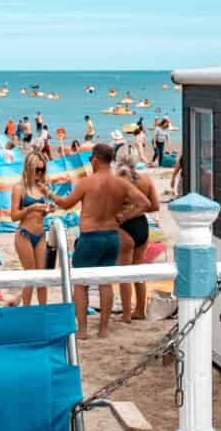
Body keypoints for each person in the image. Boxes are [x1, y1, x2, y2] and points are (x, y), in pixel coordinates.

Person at [49, 143, 150, 338]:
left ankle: (83, 330)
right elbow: (144, 203)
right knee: (105, 283)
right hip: (112, 236)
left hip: (90, 236)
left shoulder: (87, 183)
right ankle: (103, 329)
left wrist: (49, 193)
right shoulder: (120, 183)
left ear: (95, 159)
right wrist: (125, 216)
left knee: (81, 283)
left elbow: (66, 204)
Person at [115, 151, 160, 322]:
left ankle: (127, 314)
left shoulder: (118, 180)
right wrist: (137, 210)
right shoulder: (146, 180)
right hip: (141, 225)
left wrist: (126, 214)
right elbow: (155, 206)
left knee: (124, 273)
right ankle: (140, 310)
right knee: (139, 270)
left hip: (124, 227)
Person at [10, 152, 55, 307]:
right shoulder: (19, 188)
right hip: (25, 234)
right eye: (37, 170)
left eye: (42, 170)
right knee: (30, 276)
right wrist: (31, 208)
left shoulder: (42, 187)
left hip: (40, 234)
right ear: (29, 168)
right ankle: (26, 310)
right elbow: (14, 216)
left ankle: (43, 310)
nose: (40, 173)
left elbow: (41, 213)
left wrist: (48, 210)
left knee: (41, 277)